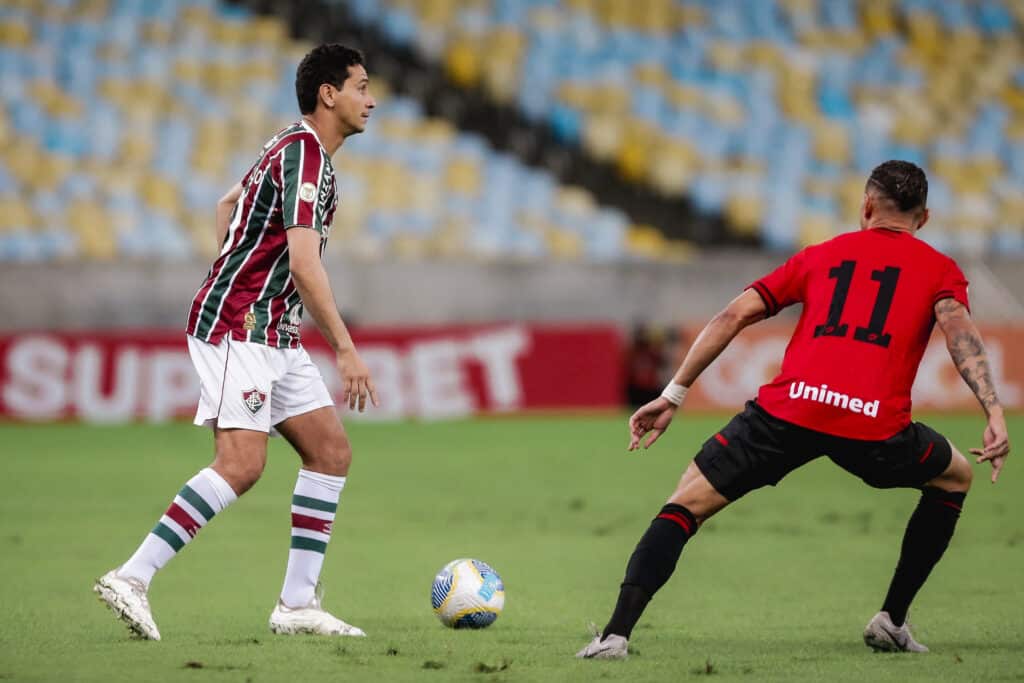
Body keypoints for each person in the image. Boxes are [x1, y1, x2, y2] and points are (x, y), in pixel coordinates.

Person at [576, 160, 1011, 659]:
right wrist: (993, 409)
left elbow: (734, 314)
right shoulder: (940, 270)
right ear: (925, 218)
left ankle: (614, 636)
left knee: (684, 503)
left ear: (866, 205)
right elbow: (960, 333)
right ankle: (890, 620)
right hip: (872, 428)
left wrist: (673, 393)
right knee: (954, 477)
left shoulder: (820, 256)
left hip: (788, 413)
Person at [94, 44, 378, 640]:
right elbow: (304, 264)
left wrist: (236, 264)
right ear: (329, 93)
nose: (370, 100)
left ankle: (297, 605)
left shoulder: (289, 145)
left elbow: (228, 204)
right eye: (361, 86)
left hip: (269, 325)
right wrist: (346, 348)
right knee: (242, 464)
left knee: (330, 452)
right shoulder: (304, 155)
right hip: (240, 326)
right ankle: (131, 576)